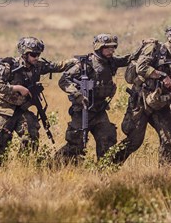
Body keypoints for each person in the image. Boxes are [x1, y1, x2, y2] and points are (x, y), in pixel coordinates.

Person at [112, 24, 171, 167]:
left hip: (160, 104)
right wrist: (162, 75)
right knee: (134, 141)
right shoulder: (154, 48)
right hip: (141, 102)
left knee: (168, 139)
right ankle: (109, 166)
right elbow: (141, 67)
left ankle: (165, 176)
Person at [0, 37, 75, 167]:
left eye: (38, 54)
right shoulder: (8, 66)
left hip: (21, 108)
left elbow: (56, 66)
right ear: (24, 53)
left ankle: (23, 167)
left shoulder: (37, 66)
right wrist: (16, 88)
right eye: (33, 54)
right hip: (3, 109)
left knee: (31, 136)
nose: (36, 57)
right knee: (0, 143)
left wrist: (74, 61)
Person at [55, 34, 131, 164]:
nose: (111, 51)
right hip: (82, 111)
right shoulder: (86, 64)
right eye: (108, 48)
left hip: (99, 111)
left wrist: (143, 50)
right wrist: (77, 94)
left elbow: (126, 59)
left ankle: (103, 172)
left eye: (113, 48)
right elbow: (64, 80)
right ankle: (54, 165)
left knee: (107, 139)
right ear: (99, 48)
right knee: (76, 143)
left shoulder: (111, 61)